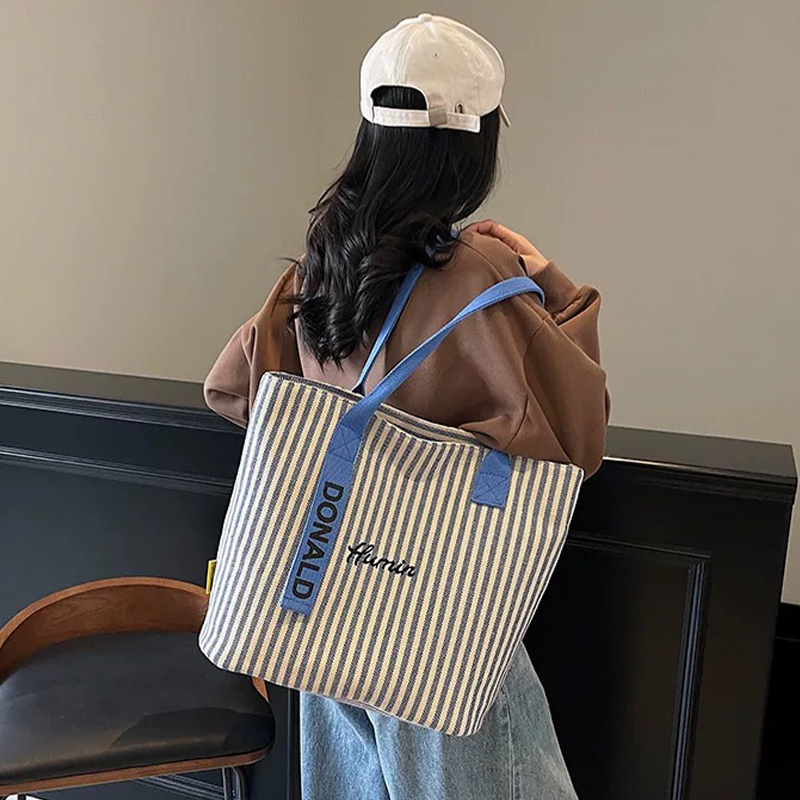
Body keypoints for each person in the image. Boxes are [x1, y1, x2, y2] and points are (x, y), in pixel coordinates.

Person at [204, 13, 608, 800]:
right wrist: (557, 288)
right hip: (441, 619)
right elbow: (579, 437)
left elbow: (234, 387)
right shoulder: (481, 276)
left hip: (326, 605)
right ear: (476, 143)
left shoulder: (323, 264)